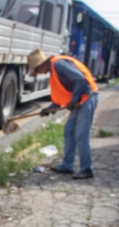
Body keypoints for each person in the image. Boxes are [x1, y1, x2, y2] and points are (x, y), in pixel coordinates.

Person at [27, 48, 99, 179]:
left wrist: (74, 100)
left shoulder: (58, 64)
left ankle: (87, 169)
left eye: (36, 70)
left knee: (81, 134)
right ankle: (67, 165)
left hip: (87, 98)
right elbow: (59, 99)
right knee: (69, 131)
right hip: (79, 100)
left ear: (41, 64)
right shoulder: (53, 74)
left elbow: (80, 80)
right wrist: (47, 110)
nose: (38, 73)